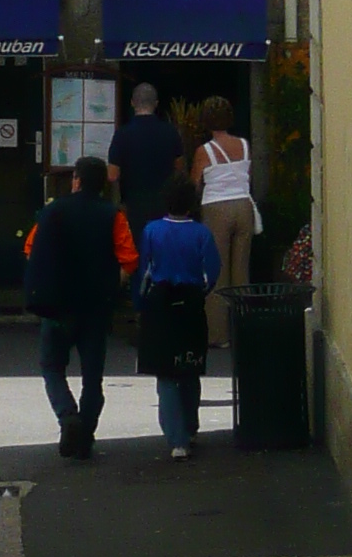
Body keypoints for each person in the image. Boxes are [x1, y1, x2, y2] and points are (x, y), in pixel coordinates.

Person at [23, 159, 138, 459]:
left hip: (58, 304)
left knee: (52, 367)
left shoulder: (53, 211)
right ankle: (85, 434)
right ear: (102, 184)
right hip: (95, 307)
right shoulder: (113, 215)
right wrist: (114, 282)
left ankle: (67, 415)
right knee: (93, 377)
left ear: (75, 181)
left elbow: (30, 249)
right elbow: (129, 260)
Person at [137, 171, 220, 459]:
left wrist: (141, 301)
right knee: (190, 366)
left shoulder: (151, 231)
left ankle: (176, 438)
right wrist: (201, 292)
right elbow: (212, 272)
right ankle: (191, 425)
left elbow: (144, 272)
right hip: (191, 302)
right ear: (192, 203)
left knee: (166, 372)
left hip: (161, 303)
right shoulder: (202, 233)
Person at [192, 92, 262, 346]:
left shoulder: (204, 151)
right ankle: (243, 330)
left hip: (216, 208)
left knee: (217, 272)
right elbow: (248, 175)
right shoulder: (244, 145)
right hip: (243, 206)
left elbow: (195, 183)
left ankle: (218, 335)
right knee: (241, 271)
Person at [109, 79, 182, 250]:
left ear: (133, 103)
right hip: (164, 203)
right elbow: (180, 170)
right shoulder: (170, 132)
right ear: (156, 104)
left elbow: (112, 174)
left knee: (138, 250)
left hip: (134, 204)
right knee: (163, 250)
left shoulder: (122, 134)